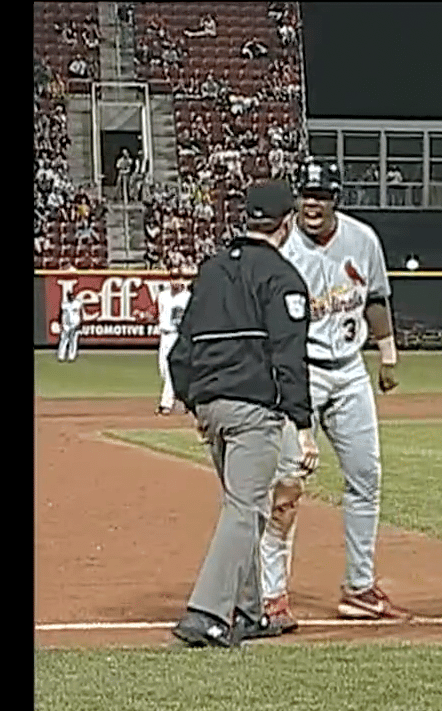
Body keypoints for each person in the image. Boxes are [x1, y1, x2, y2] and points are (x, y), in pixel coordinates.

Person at [166, 180, 320, 648]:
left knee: (243, 505)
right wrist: (304, 426)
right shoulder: (282, 277)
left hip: (211, 405)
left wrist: (195, 403)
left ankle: (249, 612)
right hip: (253, 411)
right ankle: (208, 613)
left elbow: (181, 349)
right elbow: (289, 357)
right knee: (244, 509)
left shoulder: (212, 270)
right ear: (287, 223)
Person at [260, 157, 410, 627]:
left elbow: (376, 299)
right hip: (299, 371)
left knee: (366, 479)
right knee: (286, 487)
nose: (312, 203)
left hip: (349, 371)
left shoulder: (362, 240)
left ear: (335, 199)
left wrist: (387, 354)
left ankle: (359, 588)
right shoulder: (281, 248)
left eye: (321, 195)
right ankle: (271, 595)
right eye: (305, 194)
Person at [155, 265, 194, 415]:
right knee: (164, 371)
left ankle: (166, 404)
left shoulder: (187, 297)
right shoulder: (163, 296)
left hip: (178, 335)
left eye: (178, 278)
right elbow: (157, 313)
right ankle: (184, 399)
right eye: (173, 278)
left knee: (171, 371)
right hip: (164, 335)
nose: (175, 281)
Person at [56, 284, 83, 363]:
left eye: (72, 296)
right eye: (69, 296)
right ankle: (61, 356)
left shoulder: (77, 303)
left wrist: (80, 323)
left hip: (75, 324)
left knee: (73, 341)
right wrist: (61, 324)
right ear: (67, 296)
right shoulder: (64, 304)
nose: (71, 297)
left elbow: (81, 314)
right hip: (66, 325)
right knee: (63, 340)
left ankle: (71, 356)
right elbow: (61, 314)